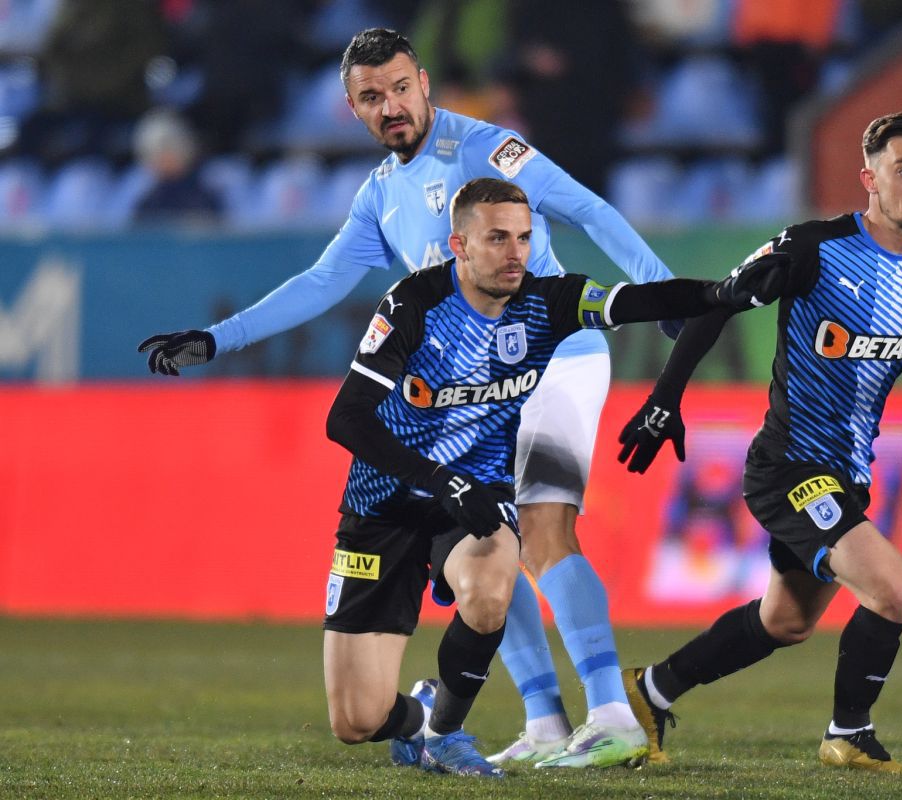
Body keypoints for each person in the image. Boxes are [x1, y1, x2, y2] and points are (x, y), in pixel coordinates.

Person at [137, 27, 684, 769]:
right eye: (371, 96)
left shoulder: (489, 150)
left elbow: (589, 210)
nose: (391, 105)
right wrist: (219, 337)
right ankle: (547, 719)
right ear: (353, 108)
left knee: (541, 527)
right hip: (483, 391)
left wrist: (666, 294)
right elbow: (321, 282)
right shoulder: (379, 196)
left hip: (556, 356)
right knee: (492, 532)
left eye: (399, 87)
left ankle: (613, 711)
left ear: (424, 83)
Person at [615, 112, 902, 771]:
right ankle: (848, 733)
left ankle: (651, 690)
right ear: (870, 178)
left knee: (786, 622)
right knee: (893, 589)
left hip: (848, 472)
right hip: (788, 468)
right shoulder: (815, 248)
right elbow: (716, 303)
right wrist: (665, 398)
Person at [320, 177, 788, 777]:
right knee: (355, 720)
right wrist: (438, 479)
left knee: (492, 580)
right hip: (385, 506)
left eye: (523, 236)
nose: (515, 252)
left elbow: (639, 302)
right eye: (497, 238)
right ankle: (420, 716)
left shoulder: (550, 301)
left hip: (473, 505)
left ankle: (445, 733)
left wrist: (725, 291)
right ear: (458, 244)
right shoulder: (415, 303)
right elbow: (347, 418)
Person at [131, 108, 222, 225]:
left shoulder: (204, 192)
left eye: (168, 148)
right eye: (156, 151)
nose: (163, 157)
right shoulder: (148, 198)